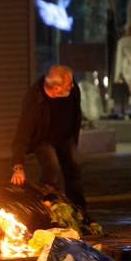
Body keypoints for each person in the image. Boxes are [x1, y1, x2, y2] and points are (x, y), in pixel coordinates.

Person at [10, 64, 87, 210]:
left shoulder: (72, 90)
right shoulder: (34, 102)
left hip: (66, 136)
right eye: (68, 84)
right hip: (43, 139)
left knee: (74, 170)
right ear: (56, 88)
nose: (72, 85)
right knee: (51, 169)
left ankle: (79, 209)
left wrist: (74, 138)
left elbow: (77, 112)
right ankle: (47, 206)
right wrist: (18, 167)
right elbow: (21, 136)